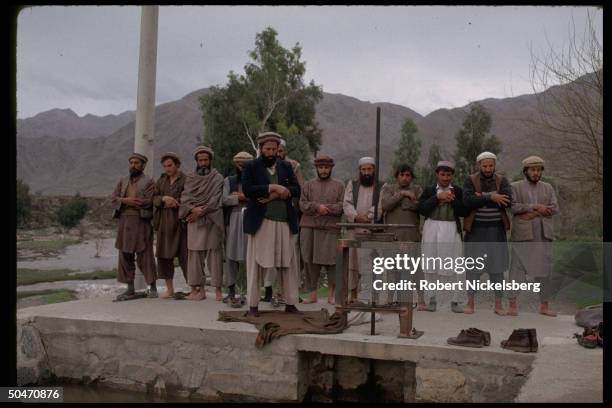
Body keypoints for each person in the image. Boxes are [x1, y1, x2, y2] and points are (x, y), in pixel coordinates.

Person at [242, 131, 302, 316]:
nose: (270, 152)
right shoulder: (251, 166)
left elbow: (296, 189)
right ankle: (253, 305)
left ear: (278, 150)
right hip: (262, 223)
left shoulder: (286, 166)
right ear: (260, 149)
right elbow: (248, 189)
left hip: (284, 221)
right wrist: (272, 187)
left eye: (274, 149)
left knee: (288, 264)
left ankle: (291, 304)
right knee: (256, 263)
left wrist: (275, 195)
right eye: (267, 149)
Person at [507, 156, 560, 317]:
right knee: (516, 269)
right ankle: (512, 305)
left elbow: (554, 208)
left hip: (543, 235)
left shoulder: (548, 187)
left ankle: (544, 306)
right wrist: (536, 207)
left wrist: (531, 214)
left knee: (543, 270)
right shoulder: (515, 186)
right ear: (526, 171)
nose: (536, 173)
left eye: (538, 170)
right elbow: (514, 207)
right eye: (533, 170)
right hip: (523, 235)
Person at [462, 151, 512, 315]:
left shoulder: (502, 180)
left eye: (491, 165)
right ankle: (470, 303)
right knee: (473, 268)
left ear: (494, 165)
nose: (488, 169)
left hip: (496, 229)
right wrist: (491, 196)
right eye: (485, 166)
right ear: (479, 165)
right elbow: (468, 201)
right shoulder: (470, 180)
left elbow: (508, 200)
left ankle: (498, 305)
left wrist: (480, 196)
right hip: (476, 230)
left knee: (497, 267)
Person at [418, 160, 468, 313]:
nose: (445, 178)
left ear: (452, 175)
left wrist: (452, 200)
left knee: (457, 264)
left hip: (452, 228)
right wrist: (438, 198)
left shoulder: (458, 191)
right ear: (437, 175)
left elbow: (463, 211)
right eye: (442, 174)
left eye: (448, 175)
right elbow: (421, 209)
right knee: (430, 263)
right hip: (431, 228)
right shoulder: (429, 190)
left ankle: (455, 300)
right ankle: (432, 299)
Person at [179, 146, 225, 301]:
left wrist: (202, 211)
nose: (203, 163)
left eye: (206, 160)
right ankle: (200, 291)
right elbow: (185, 198)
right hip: (194, 220)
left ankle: (218, 291)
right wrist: (193, 209)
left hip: (211, 219)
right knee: (194, 255)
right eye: (200, 160)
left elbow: (216, 199)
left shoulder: (217, 178)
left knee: (215, 255)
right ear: (197, 162)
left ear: (210, 161)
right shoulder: (190, 178)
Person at [111, 153, 158, 300]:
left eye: (137, 163)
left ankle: (153, 287)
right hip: (124, 221)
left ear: (143, 165)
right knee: (125, 255)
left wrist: (127, 201)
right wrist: (127, 200)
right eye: (131, 162)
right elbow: (113, 199)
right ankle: (130, 288)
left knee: (145, 254)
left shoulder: (149, 182)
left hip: (141, 221)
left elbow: (148, 201)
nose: (133, 165)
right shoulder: (123, 181)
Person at [299, 154, 344, 305]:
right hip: (309, 226)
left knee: (332, 261)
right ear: (316, 168)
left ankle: (331, 295)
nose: (323, 170)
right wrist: (317, 207)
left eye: (326, 168)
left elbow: (341, 205)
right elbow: (302, 204)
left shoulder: (339, 185)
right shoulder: (308, 185)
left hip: (330, 228)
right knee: (309, 259)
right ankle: (312, 294)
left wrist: (327, 209)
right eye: (321, 167)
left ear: (331, 168)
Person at [379, 164, 425, 307]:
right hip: (393, 237)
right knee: (392, 269)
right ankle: (390, 299)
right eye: (402, 175)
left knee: (416, 269)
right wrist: (403, 195)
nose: (405, 178)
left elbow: (420, 207)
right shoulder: (388, 188)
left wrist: (403, 202)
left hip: (412, 236)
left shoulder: (417, 189)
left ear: (411, 177)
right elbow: (386, 205)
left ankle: (421, 300)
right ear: (397, 176)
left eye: (408, 175)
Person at [342, 157, 382, 302]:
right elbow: (346, 204)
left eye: (369, 169)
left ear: (374, 170)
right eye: (363, 170)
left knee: (368, 266)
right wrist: (356, 217)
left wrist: (369, 217)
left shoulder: (381, 186)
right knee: (352, 265)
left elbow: (380, 206)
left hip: (370, 232)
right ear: (359, 171)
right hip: (354, 230)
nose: (366, 173)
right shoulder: (352, 185)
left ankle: (369, 298)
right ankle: (352, 297)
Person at [152, 152, 188, 299]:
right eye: (165, 166)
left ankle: (194, 287)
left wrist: (177, 201)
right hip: (163, 222)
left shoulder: (185, 179)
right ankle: (169, 289)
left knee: (185, 255)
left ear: (177, 165)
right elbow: (153, 198)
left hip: (180, 221)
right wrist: (163, 198)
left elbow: (190, 197)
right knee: (163, 255)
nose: (167, 168)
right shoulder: (161, 181)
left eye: (170, 165)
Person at [222, 151, 254, 304]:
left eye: (245, 164)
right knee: (231, 255)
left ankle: (250, 292)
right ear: (236, 164)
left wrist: (243, 196)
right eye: (239, 164)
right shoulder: (229, 180)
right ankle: (231, 290)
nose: (242, 167)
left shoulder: (257, 179)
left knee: (251, 255)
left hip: (250, 218)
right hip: (233, 218)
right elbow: (224, 199)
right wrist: (239, 197)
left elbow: (260, 197)